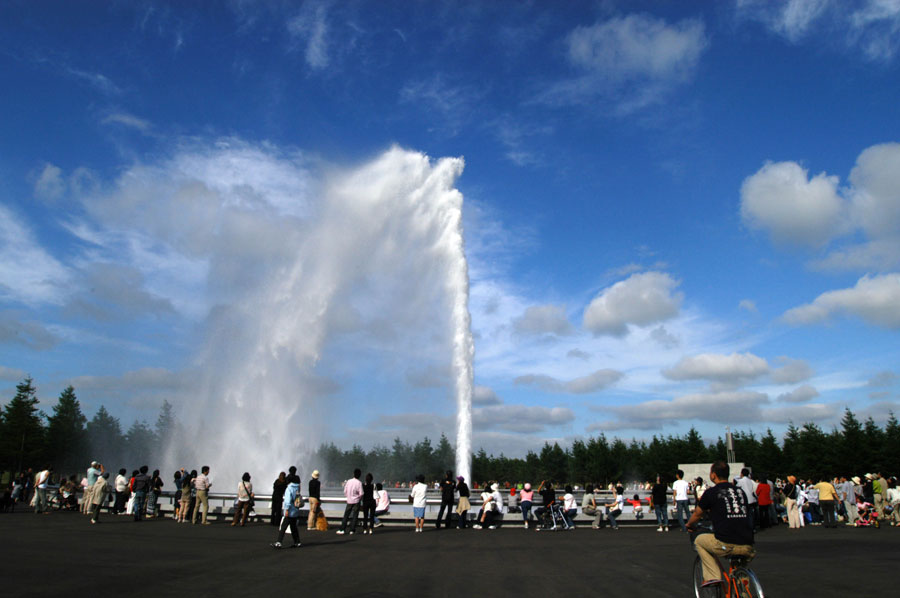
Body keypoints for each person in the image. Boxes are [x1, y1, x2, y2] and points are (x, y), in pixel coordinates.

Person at [686, 461, 755, 598]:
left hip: (726, 543)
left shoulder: (711, 492)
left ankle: (713, 576)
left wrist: (689, 525)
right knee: (739, 569)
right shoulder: (740, 492)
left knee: (699, 540)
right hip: (748, 543)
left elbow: (697, 514)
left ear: (713, 475)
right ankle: (743, 591)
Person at [271, 471, 302, 548]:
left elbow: (287, 500)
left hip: (290, 510)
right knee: (293, 527)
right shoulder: (297, 488)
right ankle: (297, 542)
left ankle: (279, 542)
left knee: (283, 527)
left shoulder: (289, 489)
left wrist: (287, 510)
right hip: (295, 510)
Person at [336, 468, 363, 535]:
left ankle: (342, 529)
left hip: (349, 501)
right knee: (355, 516)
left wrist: (348, 497)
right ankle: (352, 530)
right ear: (359, 475)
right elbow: (361, 493)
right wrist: (359, 499)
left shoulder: (349, 481)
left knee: (346, 515)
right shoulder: (359, 483)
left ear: (353, 474)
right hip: (356, 501)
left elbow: (345, 491)